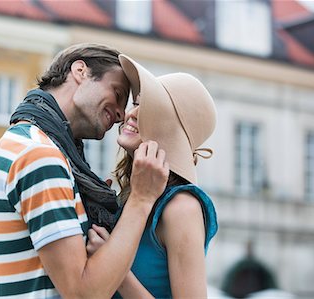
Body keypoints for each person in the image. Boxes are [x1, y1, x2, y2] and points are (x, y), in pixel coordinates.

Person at [0, 44, 169, 298]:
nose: (121, 115)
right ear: (80, 71)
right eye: (117, 92)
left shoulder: (32, 144)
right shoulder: (40, 156)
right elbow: (83, 293)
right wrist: (141, 199)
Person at [86, 54, 219, 298]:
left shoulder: (182, 207)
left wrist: (116, 271)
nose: (131, 113)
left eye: (148, 107)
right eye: (135, 103)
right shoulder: (133, 196)